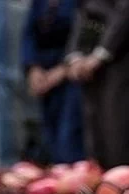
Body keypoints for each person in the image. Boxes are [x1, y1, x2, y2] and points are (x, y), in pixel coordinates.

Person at [66, 0, 129, 169]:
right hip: (89, 64)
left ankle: (122, 187)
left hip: (123, 60)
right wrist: (76, 55)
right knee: (95, 137)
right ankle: (99, 185)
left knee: (118, 132)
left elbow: (128, 13)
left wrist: (100, 55)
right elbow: (85, 14)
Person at [21, 0, 84, 164]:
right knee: (50, 130)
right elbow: (29, 34)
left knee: (69, 131)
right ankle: (58, 174)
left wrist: (63, 68)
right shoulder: (39, 3)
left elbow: (84, 30)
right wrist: (33, 68)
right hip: (44, 69)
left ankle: (74, 173)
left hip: (71, 69)